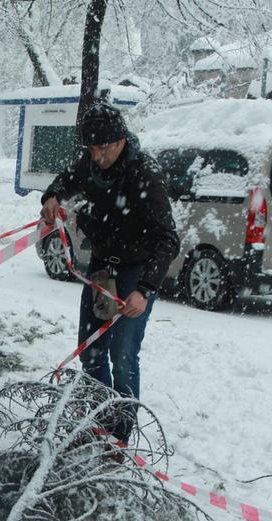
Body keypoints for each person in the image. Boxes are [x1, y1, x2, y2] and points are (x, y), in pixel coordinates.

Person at [39, 101, 179, 444]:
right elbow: (68, 179)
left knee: (123, 356)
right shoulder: (91, 163)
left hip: (137, 273)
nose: (97, 156)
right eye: (92, 149)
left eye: (104, 148)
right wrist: (52, 196)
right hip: (102, 269)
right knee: (91, 351)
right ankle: (99, 419)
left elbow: (168, 239)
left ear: (120, 141)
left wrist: (144, 290)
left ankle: (120, 436)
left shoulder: (146, 173)